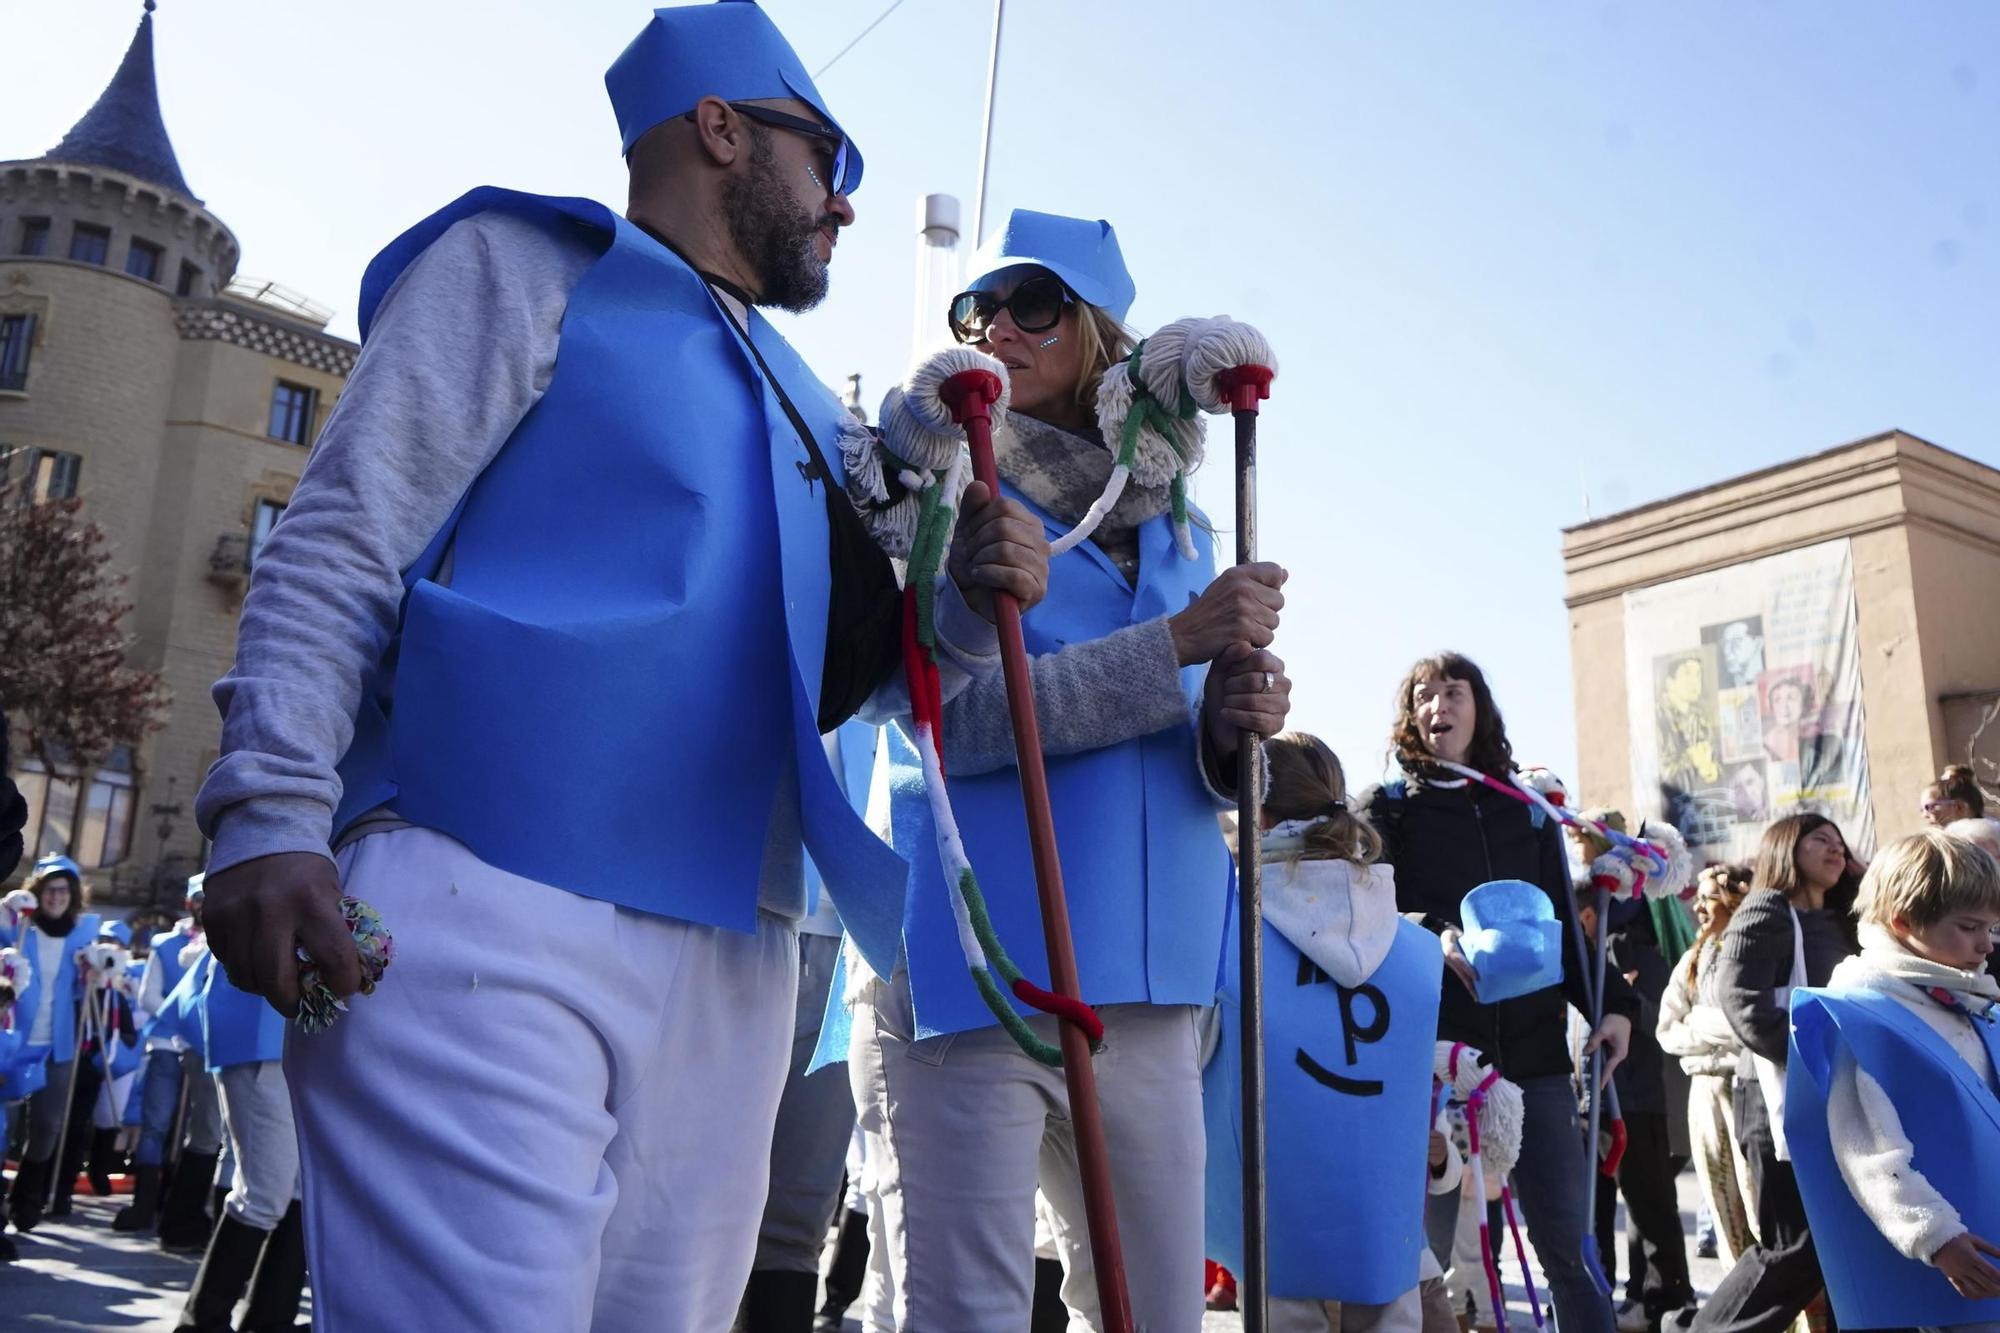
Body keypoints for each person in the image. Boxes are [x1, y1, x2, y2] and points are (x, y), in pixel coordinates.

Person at [194, 5, 1048, 1327]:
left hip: (739, 954)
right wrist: (266, 810)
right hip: (484, 901)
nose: (845, 207)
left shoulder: (814, 405)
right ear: (721, 129)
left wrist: (962, 597)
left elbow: (861, 671)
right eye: (829, 163)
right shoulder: (524, 264)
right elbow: (344, 538)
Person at [843, 207, 1290, 1333]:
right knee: (962, 1314)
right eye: (976, 307)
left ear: (1097, 332)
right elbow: (955, 724)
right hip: (973, 977)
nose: (996, 325)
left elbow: (1186, 760)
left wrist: (1233, 727)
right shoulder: (935, 496)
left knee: (1154, 1316)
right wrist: (1175, 647)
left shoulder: (1185, 532)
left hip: (1150, 990)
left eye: (1029, 302)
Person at [1367, 652, 1636, 1333]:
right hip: (1435, 1064)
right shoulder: (1389, 807)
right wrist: (1433, 933)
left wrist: (1613, 1009)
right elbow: (1369, 912)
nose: (1437, 707)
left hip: (1534, 1056)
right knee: (1415, 1261)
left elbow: (1562, 932)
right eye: (1423, 696)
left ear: (1478, 708)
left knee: (1571, 1254)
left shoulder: (1529, 813)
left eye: (1452, 692)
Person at [1206, 731, 1454, 1333]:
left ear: (1256, 812)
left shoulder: (1223, 929)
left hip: (1276, 1217)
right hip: (1385, 1219)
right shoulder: (1415, 943)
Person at [1788, 830, 2000, 1332]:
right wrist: (1937, 1236)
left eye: (1991, 928)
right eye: (1969, 927)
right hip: (1958, 1272)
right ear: (1902, 922)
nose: (1984, 945)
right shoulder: (1866, 1017)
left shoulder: (1970, 1003)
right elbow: (1866, 1152)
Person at [1692, 813, 1863, 1333]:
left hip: (1836, 1097)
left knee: (1840, 1246)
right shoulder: (1768, 909)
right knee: (1796, 1247)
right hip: (1779, 1101)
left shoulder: (1842, 920)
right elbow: (1741, 999)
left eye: (1840, 843)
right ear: (1786, 848)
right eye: (1821, 840)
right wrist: (1807, 1054)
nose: (1835, 850)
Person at [179, 873, 307, 1333]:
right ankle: (202, 1322)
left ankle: (270, 1318)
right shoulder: (266, 859)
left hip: (291, 1042)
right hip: (260, 1039)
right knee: (265, 1195)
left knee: (297, 1191)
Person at [1578, 887, 1695, 1331]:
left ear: (1590, 913)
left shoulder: (1629, 946)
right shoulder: (1598, 947)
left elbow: (1657, 1019)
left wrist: (1622, 1006)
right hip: (1605, 1096)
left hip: (1637, 1097)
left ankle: (1666, 1299)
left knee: (1649, 1203)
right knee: (1605, 1205)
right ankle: (1613, 1293)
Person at [1657, 864, 1757, 1268]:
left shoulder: (1750, 950)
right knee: (1721, 1202)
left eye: (1708, 897)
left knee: (1754, 1201)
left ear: (1733, 900)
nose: (1698, 906)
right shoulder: (1693, 959)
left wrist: (1701, 1023)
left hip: (1745, 1087)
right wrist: (1711, 1031)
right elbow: (1668, 1028)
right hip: (1704, 1091)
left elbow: (1746, 1025)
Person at [2, 855, 103, 1235]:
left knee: (46, 1125)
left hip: (57, 1045)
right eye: (49, 889)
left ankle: (27, 1198)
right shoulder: (20, 927)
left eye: (64, 890)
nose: (56, 897)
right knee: (5, 1124)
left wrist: (95, 973)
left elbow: (84, 988)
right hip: (15, 1040)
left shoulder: (82, 935)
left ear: (74, 895)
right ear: (38, 892)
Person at [117, 879, 214, 1233]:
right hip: (166, 1044)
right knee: (156, 1122)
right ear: (189, 903)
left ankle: (178, 1203)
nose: (206, 905)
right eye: (200, 899)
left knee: (198, 1125)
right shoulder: (164, 943)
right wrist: (182, 1022)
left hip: (203, 1047)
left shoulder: (224, 943)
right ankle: (143, 1204)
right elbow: (148, 996)